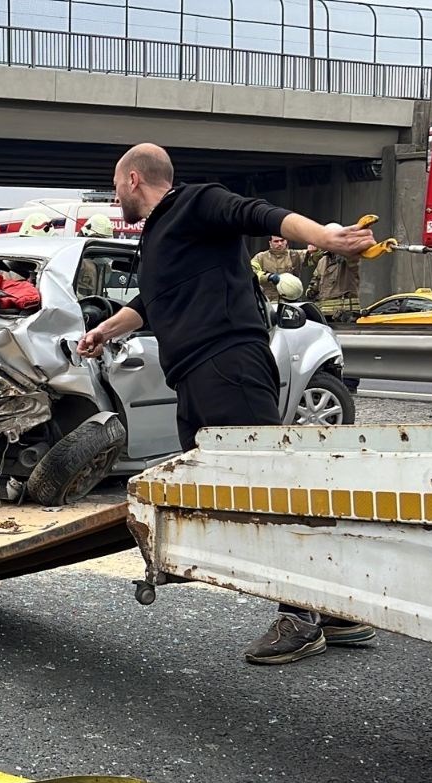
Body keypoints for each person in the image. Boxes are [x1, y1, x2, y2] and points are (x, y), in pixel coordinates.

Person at [77, 143, 378, 666]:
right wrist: (105, 329)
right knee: (227, 491)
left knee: (262, 490)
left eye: (115, 184)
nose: (116, 194)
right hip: (194, 377)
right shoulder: (161, 237)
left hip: (228, 366)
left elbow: (257, 213)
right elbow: (151, 303)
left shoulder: (195, 203)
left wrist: (326, 236)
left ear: (131, 180)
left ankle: (300, 616)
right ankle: (329, 608)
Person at [250, 235, 306, 304]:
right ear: (270, 243)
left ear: (286, 241)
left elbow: (313, 257)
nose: (279, 244)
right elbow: (251, 272)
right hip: (268, 302)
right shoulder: (261, 257)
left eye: (282, 240)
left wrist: (314, 250)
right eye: (276, 241)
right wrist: (268, 277)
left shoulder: (295, 255)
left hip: (291, 302)